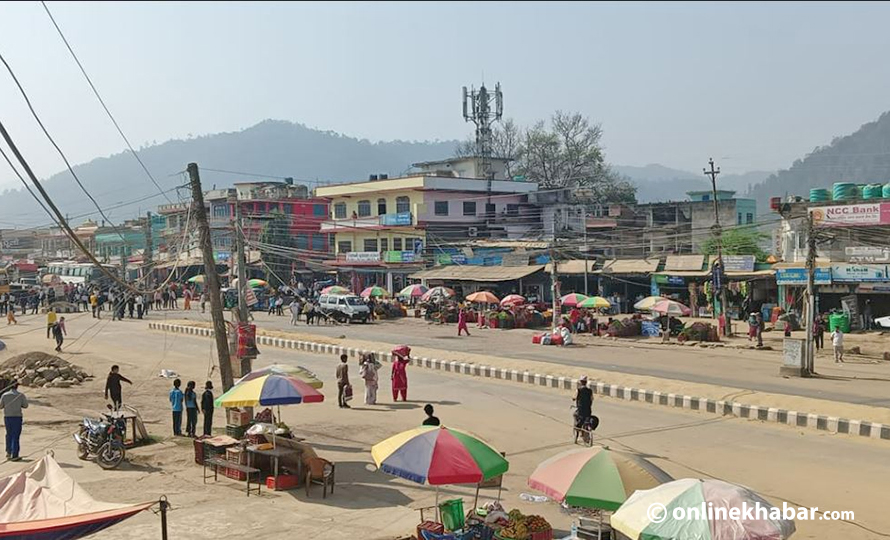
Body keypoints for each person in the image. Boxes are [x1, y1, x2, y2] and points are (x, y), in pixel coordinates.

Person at [1, 382, 28, 461]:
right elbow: (25, 405)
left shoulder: (5, 395)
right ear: (17, 387)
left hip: (7, 417)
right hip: (17, 417)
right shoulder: (20, 395)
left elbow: (1, 406)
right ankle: (15, 455)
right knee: (15, 436)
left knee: (9, 434)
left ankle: (8, 452)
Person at [573, 376, 593, 444]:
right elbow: (592, 399)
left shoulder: (578, 390)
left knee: (576, 416)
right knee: (587, 419)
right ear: (586, 382)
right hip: (588, 410)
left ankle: (577, 431)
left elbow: (574, 397)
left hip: (580, 410)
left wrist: (574, 399)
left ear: (581, 382)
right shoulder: (590, 391)